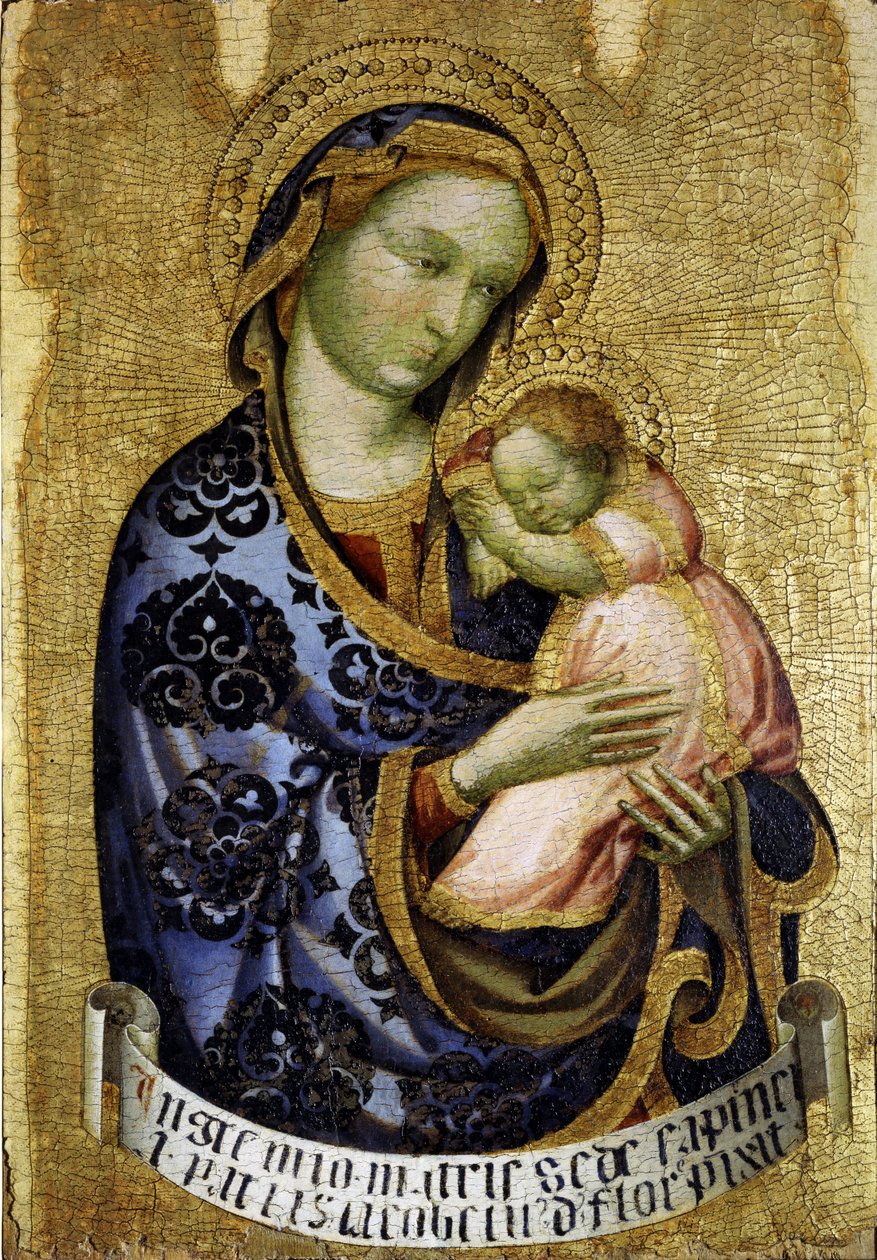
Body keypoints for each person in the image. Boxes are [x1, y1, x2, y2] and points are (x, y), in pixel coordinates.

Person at [94, 104, 831, 1156]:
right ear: (308, 244)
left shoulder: (540, 501)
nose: (451, 317)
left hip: (618, 1056)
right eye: (426, 260)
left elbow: (728, 723)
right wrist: (475, 775)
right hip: (306, 1117)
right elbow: (200, 872)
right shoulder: (198, 528)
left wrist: (716, 826)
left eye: (487, 288)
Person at [421, 388, 802, 927]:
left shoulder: (633, 522)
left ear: (597, 464)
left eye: (543, 488)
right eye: (514, 499)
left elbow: (571, 566)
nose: (530, 510)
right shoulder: (487, 547)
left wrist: (498, 533)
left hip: (661, 710)